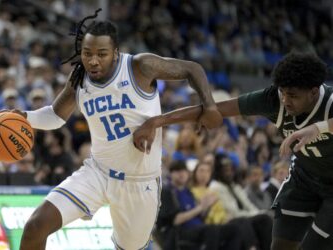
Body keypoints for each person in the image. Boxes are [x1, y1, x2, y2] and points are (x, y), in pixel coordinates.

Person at [5, 8, 221, 250]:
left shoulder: (140, 66)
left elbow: (193, 69)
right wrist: (23, 116)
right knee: (36, 225)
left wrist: (209, 104)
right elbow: (55, 116)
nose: (93, 60)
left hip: (140, 182)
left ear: (116, 53)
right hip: (97, 173)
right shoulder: (79, 80)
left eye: (102, 54)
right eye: (87, 54)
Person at [133, 52, 333, 250]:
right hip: (304, 179)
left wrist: (318, 128)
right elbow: (214, 108)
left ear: (314, 92)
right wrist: (157, 121)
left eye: (293, 96)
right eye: (283, 93)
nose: (286, 101)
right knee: (280, 245)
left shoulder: (329, 102)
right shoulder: (273, 99)